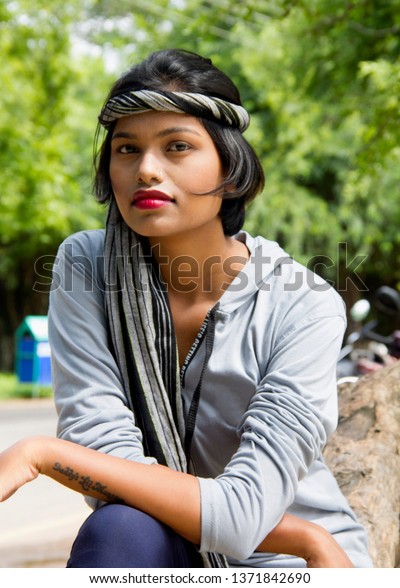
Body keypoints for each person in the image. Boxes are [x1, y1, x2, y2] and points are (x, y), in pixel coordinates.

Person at [0, 49, 372, 569]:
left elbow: (244, 515)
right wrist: (301, 536)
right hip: (208, 542)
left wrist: (46, 454)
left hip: (285, 566)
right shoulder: (85, 267)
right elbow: (107, 454)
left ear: (233, 170)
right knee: (119, 529)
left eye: (177, 146)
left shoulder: (303, 306)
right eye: (126, 149)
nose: (146, 170)